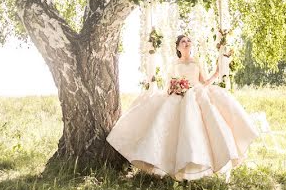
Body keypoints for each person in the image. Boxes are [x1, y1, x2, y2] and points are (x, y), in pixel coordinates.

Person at [106, 34, 259, 181]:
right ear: (178, 47)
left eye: (188, 41)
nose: (187, 43)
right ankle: (169, 162)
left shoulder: (196, 61)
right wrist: (175, 88)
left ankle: (199, 161)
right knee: (167, 125)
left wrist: (216, 73)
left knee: (200, 126)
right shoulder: (174, 64)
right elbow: (169, 84)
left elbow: (203, 82)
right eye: (183, 42)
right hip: (178, 95)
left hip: (196, 93)